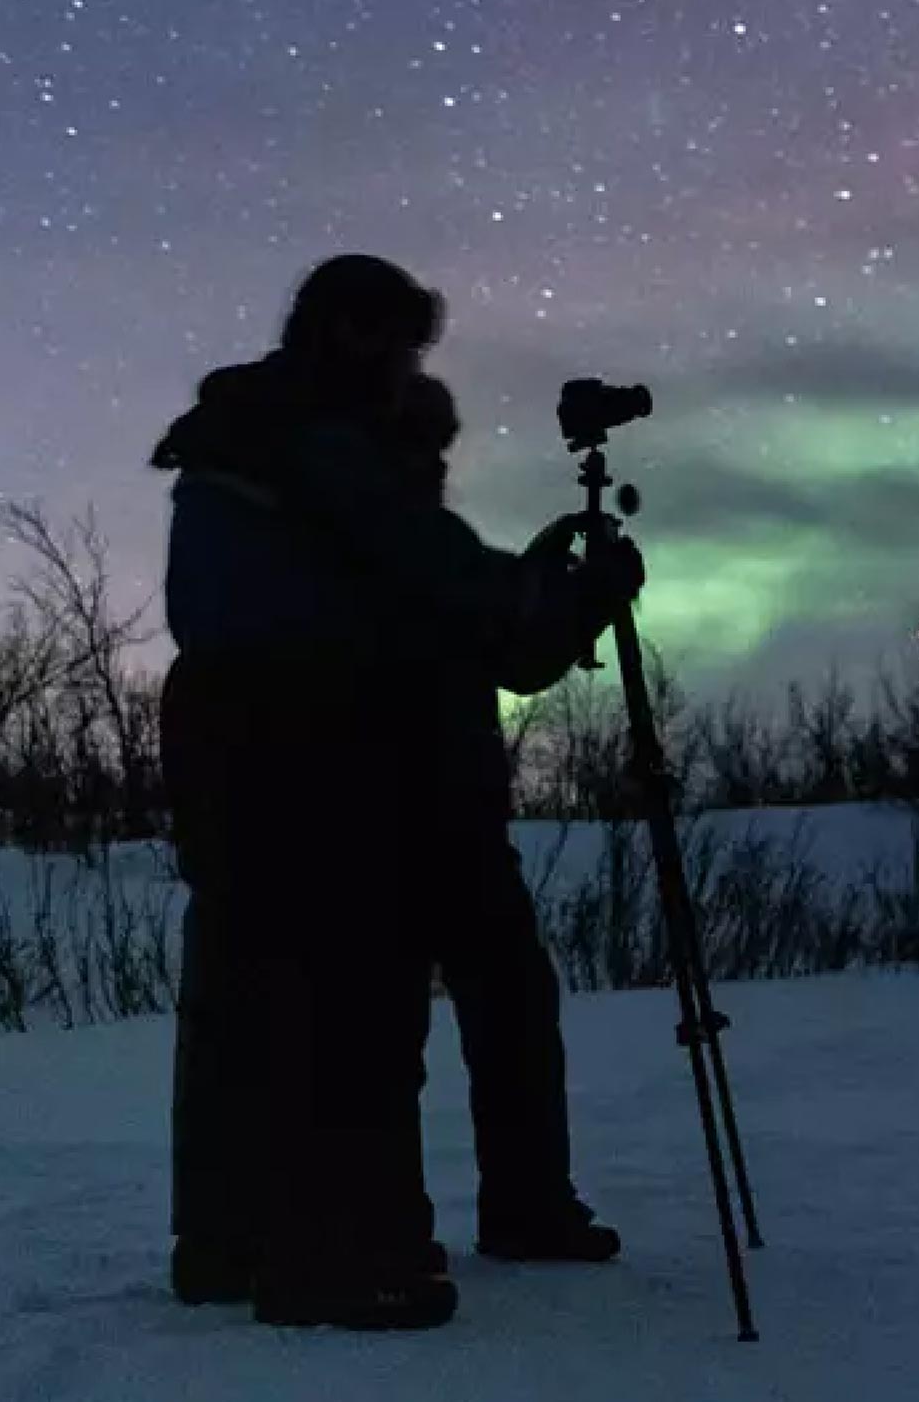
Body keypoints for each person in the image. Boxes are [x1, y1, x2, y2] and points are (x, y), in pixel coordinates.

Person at [153, 254, 637, 1330]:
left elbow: (459, 609)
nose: (402, 366)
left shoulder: (268, 445)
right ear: (346, 338)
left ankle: (241, 1240)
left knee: (277, 1004)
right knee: (350, 1011)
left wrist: (544, 600)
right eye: (392, 343)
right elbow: (458, 599)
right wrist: (576, 594)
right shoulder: (320, 451)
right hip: (336, 768)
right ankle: (341, 1248)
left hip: (299, 770)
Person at [385, 373, 623, 1266]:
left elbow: (502, 643)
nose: (435, 465)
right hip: (403, 819)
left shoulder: (402, 535)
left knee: (512, 1005)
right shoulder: (385, 535)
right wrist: (572, 596)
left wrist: (555, 594)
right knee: (400, 1029)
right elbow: (495, 629)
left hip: (451, 818)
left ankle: (517, 1207)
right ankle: (397, 1226)